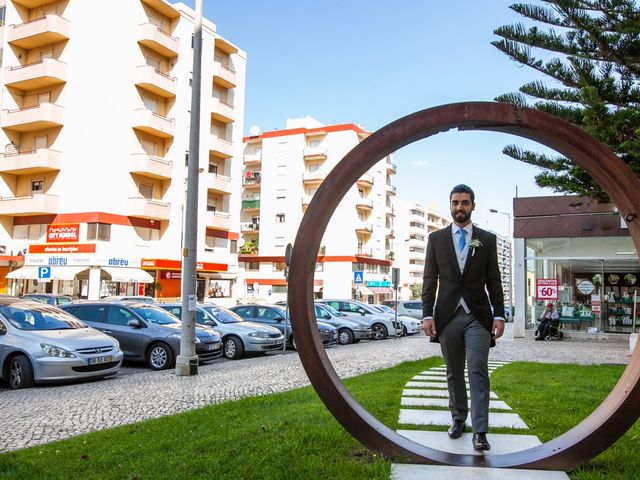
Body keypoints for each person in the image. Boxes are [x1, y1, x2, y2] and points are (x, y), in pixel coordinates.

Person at [422, 184, 505, 452]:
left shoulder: (487, 239)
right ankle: (458, 418)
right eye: (456, 202)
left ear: (473, 206)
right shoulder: (435, 240)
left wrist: (499, 314)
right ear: (450, 205)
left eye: (465, 202)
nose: (460, 207)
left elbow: (494, 281)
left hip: (478, 316)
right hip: (447, 315)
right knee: (453, 372)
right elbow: (429, 279)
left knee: (477, 370)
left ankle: (480, 431)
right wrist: (426, 314)